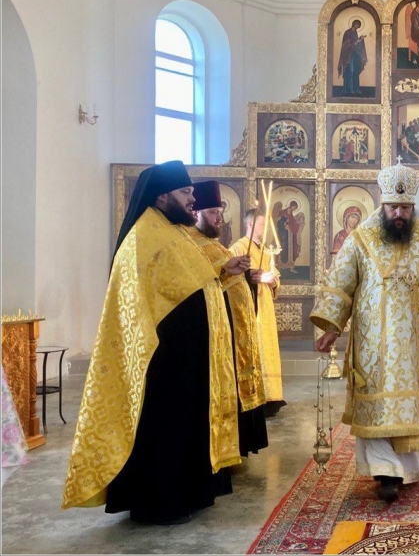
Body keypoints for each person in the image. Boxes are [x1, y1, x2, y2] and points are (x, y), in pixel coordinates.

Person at [63, 161, 242, 524]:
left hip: (187, 358)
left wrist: (223, 273)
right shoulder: (145, 236)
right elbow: (148, 299)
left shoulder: (172, 231)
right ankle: (161, 503)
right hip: (164, 359)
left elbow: (192, 284)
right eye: (185, 192)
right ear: (162, 197)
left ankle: (188, 494)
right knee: (165, 428)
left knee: (184, 427)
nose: (192, 200)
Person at [311, 161, 419, 503]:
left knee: (413, 407)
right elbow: (341, 282)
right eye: (393, 206)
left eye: (405, 208)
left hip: (418, 344)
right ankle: (385, 473)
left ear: (413, 206)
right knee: (377, 407)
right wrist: (332, 326)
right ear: (383, 204)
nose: (398, 214)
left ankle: (409, 468)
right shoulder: (361, 239)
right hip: (373, 344)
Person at [190, 181, 268, 458]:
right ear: (196, 213)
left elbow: (223, 278)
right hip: (220, 333)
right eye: (213, 213)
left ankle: (239, 444)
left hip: (235, 330)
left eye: (220, 213)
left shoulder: (214, 244)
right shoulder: (191, 244)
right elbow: (197, 283)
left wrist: (247, 275)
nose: (219, 219)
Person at [230, 210, 286, 417]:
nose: (265, 229)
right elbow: (230, 279)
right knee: (255, 347)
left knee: (268, 347)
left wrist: (273, 280)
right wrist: (251, 277)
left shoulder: (266, 250)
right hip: (249, 306)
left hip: (265, 305)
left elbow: (275, 274)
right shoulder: (238, 247)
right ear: (250, 224)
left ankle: (272, 396)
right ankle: (256, 398)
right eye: (262, 225)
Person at [337, 19, 368, 96]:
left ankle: (355, 88)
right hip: (348, 56)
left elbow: (355, 43)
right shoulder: (347, 32)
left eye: (359, 26)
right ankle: (349, 89)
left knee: (355, 71)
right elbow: (347, 45)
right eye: (358, 25)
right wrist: (357, 41)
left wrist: (360, 39)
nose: (358, 27)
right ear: (355, 24)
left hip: (354, 54)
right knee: (350, 71)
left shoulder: (355, 32)